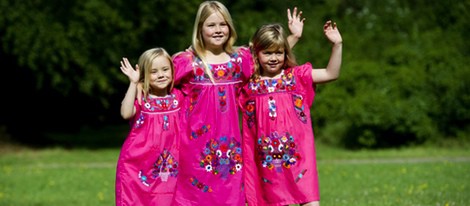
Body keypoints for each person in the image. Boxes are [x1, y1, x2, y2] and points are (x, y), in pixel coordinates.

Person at [169, 1, 305, 205]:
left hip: (232, 150)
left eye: (222, 24)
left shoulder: (239, 59)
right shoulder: (186, 62)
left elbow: (269, 57)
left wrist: (294, 37)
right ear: (200, 28)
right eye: (211, 25)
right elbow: (157, 83)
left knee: (231, 198)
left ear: (230, 27)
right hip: (194, 151)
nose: (218, 30)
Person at [240, 21, 342, 206]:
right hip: (267, 162)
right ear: (257, 53)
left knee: (310, 202)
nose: (273, 58)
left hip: (299, 158)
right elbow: (241, 57)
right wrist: (293, 37)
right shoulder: (248, 83)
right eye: (267, 53)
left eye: (279, 53)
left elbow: (330, 74)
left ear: (286, 53)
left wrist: (337, 45)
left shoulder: (296, 77)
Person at [115, 47, 184, 206]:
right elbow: (125, 113)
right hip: (139, 166)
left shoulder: (179, 97)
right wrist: (134, 83)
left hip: (169, 167)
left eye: (165, 69)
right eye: (154, 72)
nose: (161, 75)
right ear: (145, 76)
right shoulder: (142, 98)